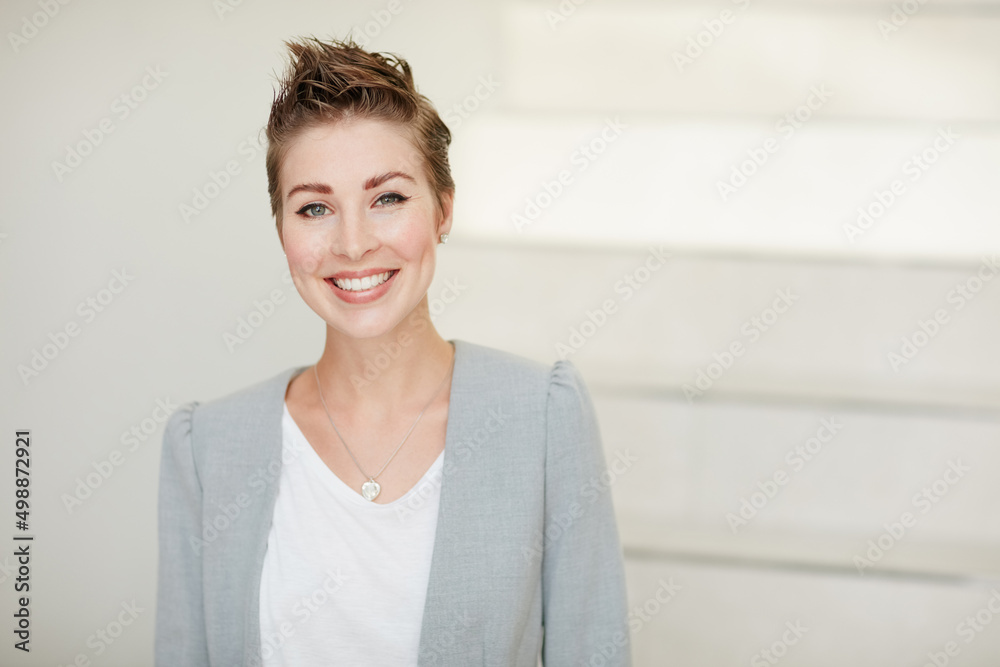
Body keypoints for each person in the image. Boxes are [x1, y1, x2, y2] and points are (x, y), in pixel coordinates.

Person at [154, 35, 631, 666]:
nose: (352, 245)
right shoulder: (206, 447)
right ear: (282, 232)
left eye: (388, 198)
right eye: (315, 207)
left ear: (443, 210)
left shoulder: (541, 417)